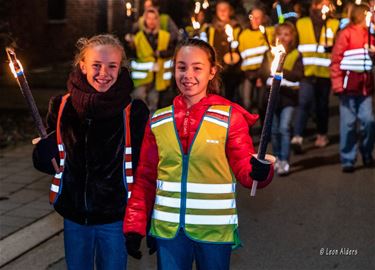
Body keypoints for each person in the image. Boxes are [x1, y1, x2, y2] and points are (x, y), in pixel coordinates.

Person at [123, 38, 274, 270]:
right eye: (181, 67)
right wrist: (135, 225)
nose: (188, 75)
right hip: (168, 231)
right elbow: (145, 177)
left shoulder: (229, 118)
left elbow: (246, 169)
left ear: (212, 71)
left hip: (213, 232)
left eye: (197, 68)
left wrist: (260, 171)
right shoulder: (158, 119)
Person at [32, 34, 149, 269]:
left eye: (112, 66)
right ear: (82, 66)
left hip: (114, 218)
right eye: (96, 65)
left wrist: (140, 220)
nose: (103, 73)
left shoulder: (133, 112)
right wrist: (42, 155)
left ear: (121, 68)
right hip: (75, 217)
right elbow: (52, 159)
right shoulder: (62, 106)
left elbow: (144, 169)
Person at [330, 4, 375, 172]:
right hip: (348, 88)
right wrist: (337, 84)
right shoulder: (346, 34)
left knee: (369, 122)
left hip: (366, 87)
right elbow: (336, 60)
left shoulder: (371, 34)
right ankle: (348, 158)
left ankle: (366, 151)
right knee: (348, 124)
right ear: (360, 16)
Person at [291, 0, 339, 153]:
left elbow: (338, 46)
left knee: (322, 105)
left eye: (326, 4)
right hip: (306, 71)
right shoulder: (301, 23)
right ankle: (297, 137)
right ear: (313, 6)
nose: (321, 8)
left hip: (325, 72)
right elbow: (294, 45)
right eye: (319, 4)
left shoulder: (335, 24)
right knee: (304, 102)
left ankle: (322, 134)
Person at [259, 22, 304, 175]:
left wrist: (281, 69)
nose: (283, 37)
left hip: (289, 98)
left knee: (284, 128)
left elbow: (298, 75)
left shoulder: (296, 54)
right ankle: (277, 157)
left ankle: (285, 160)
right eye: (280, 34)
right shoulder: (268, 53)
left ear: (292, 37)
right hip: (272, 98)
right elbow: (263, 72)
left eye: (286, 34)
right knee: (274, 130)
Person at [127, 7, 177, 113]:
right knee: (138, 106)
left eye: (154, 18)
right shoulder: (138, 37)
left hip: (158, 78)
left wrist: (161, 53)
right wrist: (130, 44)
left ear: (157, 20)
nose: (151, 21)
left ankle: (150, 128)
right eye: (149, 18)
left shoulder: (165, 36)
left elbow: (173, 51)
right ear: (144, 20)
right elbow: (132, 58)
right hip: (142, 80)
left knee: (154, 107)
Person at [238, 6, 274, 112]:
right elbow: (242, 56)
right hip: (249, 74)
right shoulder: (243, 35)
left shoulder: (269, 32)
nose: (255, 20)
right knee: (246, 103)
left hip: (264, 73)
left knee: (262, 104)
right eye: (252, 17)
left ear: (263, 18)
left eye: (258, 17)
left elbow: (271, 54)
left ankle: (262, 127)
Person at [206, 0, 243, 102]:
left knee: (230, 97)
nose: (222, 12)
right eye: (219, 9)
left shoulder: (236, 28)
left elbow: (241, 48)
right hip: (215, 69)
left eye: (225, 9)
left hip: (232, 70)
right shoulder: (210, 29)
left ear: (230, 11)